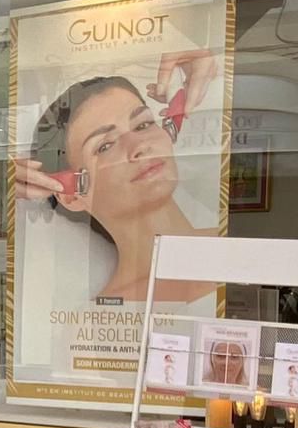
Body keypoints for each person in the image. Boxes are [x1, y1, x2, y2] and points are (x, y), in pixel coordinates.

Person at [14, 51, 219, 302]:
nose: (139, 145)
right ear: (71, 196)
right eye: (105, 146)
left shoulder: (242, 246)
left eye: (143, 125)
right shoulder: (106, 311)